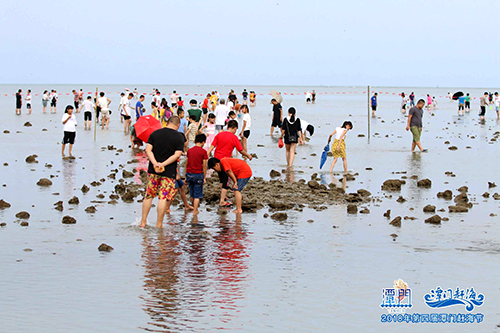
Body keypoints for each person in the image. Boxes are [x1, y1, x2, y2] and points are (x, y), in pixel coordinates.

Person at [139, 116, 185, 228]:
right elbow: (177, 155)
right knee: (163, 198)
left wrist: (155, 163)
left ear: (167, 122)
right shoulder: (179, 138)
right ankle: (159, 224)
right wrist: (163, 164)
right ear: (178, 125)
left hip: (153, 170)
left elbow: (148, 150)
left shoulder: (155, 134)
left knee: (149, 196)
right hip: (168, 172)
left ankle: (143, 222)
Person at [207, 120, 252, 207]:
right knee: (226, 181)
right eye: (236, 129)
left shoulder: (219, 134)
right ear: (235, 128)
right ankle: (222, 200)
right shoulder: (234, 137)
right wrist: (248, 155)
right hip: (225, 162)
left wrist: (207, 155)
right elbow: (240, 150)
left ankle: (223, 197)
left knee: (222, 179)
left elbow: (212, 147)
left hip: (216, 161)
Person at [186, 134, 209, 214]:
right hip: (198, 174)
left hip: (189, 173)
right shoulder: (203, 152)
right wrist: (204, 177)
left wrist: (186, 175)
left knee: (192, 193)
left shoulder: (189, 151)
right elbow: (204, 165)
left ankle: (193, 207)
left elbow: (187, 163)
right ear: (203, 142)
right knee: (197, 194)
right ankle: (195, 210)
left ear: (195, 141)